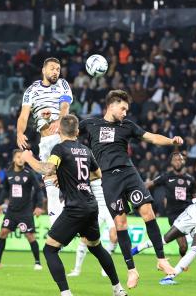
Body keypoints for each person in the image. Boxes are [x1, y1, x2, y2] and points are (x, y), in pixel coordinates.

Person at [79, 90, 182, 288]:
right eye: (123, 108)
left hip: (129, 173)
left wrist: (171, 141)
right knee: (120, 224)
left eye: (127, 109)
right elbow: (69, 130)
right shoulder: (91, 124)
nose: (126, 112)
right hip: (108, 178)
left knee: (148, 213)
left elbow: (151, 137)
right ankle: (131, 270)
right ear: (111, 105)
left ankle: (161, 260)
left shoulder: (127, 126)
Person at [22, 115, 127, 296]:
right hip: (90, 205)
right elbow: (98, 174)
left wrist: (28, 158)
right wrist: (66, 178)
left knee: (49, 250)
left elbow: (47, 169)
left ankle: (66, 293)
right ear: (77, 132)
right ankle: (118, 289)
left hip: (75, 208)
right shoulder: (86, 150)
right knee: (96, 247)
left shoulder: (60, 149)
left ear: (59, 130)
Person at [16, 57, 73, 224]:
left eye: (58, 69)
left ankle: (75, 216)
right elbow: (24, 115)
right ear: (44, 70)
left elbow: (65, 106)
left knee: (68, 182)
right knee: (51, 188)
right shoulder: (32, 90)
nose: (56, 72)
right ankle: (56, 232)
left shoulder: (62, 84)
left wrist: (59, 120)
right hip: (45, 142)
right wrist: (20, 132)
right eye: (52, 68)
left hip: (61, 138)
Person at [146, 152, 196, 280]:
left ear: (183, 162)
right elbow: (149, 184)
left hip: (190, 214)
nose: (178, 161)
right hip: (174, 215)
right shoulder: (166, 177)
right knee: (183, 246)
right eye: (175, 159)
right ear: (171, 162)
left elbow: (194, 197)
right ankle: (182, 258)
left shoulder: (190, 179)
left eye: (180, 159)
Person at [0, 149, 44, 270]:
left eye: (22, 157)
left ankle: (38, 262)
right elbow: (5, 190)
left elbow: (38, 190)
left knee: (30, 236)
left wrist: (39, 206)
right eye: (18, 157)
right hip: (11, 211)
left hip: (25, 212)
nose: (21, 159)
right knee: (3, 232)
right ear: (14, 159)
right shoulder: (8, 173)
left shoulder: (29, 173)